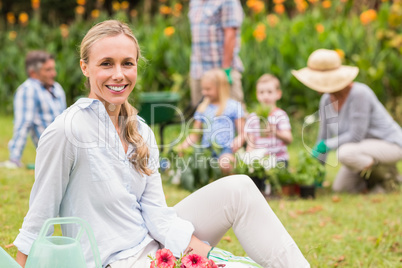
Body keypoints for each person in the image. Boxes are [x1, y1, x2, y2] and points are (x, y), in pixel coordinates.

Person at [14, 20, 309, 268]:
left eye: (127, 63)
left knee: (240, 187)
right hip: (115, 261)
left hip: (151, 241)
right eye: (106, 64)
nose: (118, 74)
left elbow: (155, 211)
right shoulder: (67, 130)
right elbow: (39, 218)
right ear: (85, 67)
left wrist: (197, 248)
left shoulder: (140, 130)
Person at [292, 48, 402, 193]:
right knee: (341, 188)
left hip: (390, 145)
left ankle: (389, 176)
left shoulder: (359, 94)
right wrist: (317, 167)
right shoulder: (326, 99)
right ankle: (373, 184)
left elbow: (356, 136)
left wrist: (326, 145)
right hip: (360, 150)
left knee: (344, 153)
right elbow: (323, 137)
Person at [0, 50, 66, 169]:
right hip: (52, 150)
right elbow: (23, 124)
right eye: (48, 70)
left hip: (68, 145)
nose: (54, 73)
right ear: (33, 73)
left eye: (53, 69)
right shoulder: (28, 90)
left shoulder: (57, 88)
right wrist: (14, 158)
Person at [177, 68, 245, 175]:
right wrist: (183, 146)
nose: (204, 92)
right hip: (206, 150)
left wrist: (239, 139)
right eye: (203, 89)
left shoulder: (233, 106)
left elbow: (243, 132)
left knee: (225, 163)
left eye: (208, 89)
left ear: (220, 88)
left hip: (226, 149)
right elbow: (195, 134)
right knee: (192, 164)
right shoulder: (203, 108)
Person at [188, 0, 244, 108]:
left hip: (220, 70)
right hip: (198, 69)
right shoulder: (194, 2)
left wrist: (225, 70)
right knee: (201, 114)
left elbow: (230, 34)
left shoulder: (228, 1)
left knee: (231, 112)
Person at [244, 74, 293, 165]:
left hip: (279, 159)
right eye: (261, 92)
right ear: (257, 95)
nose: (265, 96)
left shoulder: (280, 115)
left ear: (278, 94)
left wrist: (275, 132)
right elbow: (251, 144)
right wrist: (249, 159)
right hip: (260, 161)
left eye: (270, 92)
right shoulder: (252, 117)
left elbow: (289, 139)